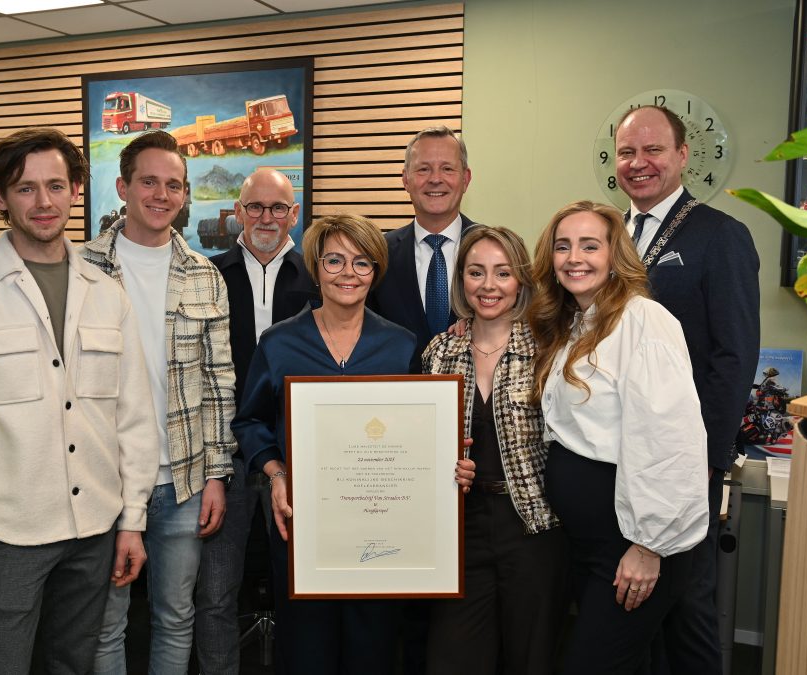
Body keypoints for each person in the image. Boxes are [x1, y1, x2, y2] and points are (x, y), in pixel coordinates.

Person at [0, 127, 160, 673]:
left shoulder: (107, 294)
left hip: (94, 529)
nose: (43, 202)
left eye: (55, 185)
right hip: (5, 537)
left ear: (76, 190)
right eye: (25, 189)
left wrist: (132, 521)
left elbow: (135, 421)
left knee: (70, 667)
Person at [232, 214, 475, 674]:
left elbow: (419, 432)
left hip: (382, 532)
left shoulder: (401, 345)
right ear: (316, 268)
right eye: (335, 261)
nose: (348, 274)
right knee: (306, 653)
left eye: (362, 263)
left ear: (376, 272)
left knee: (374, 651)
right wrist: (276, 473)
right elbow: (249, 422)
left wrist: (448, 459)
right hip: (303, 526)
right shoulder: (280, 342)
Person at [530, 201, 709, 674]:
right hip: (589, 543)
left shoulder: (643, 321)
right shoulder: (572, 322)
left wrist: (650, 546)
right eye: (563, 247)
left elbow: (670, 442)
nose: (575, 258)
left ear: (616, 255)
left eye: (590, 246)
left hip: (632, 543)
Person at [83, 130, 236, 675]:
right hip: (103, 477)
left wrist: (217, 475)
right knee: (105, 620)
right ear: (122, 187)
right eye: (148, 181)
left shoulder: (205, 276)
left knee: (175, 616)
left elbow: (220, 383)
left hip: (183, 480)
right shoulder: (82, 270)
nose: (161, 194)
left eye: (174, 185)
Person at [615, 105, 760, 674]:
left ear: (682, 156)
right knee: (632, 608)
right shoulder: (609, 234)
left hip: (683, 457)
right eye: (628, 152)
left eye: (653, 150)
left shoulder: (720, 236)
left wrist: (708, 458)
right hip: (619, 451)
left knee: (687, 607)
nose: (639, 163)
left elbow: (734, 357)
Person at [421, 225, 568, 675]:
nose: (489, 286)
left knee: (532, 658)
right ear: (460, 279)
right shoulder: (439, 352)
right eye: (476, 272)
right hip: (461, 529)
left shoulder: (550, 348)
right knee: (453, 657)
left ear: (521, 279)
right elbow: (424, 444)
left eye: (502, 273)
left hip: (534, 526)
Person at [196, 168, 319, 675]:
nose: (267, 218)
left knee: (301, 584)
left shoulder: (321, 275)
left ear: (294, 214)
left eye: (278, 208)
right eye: (255, 207)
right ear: (238, 213)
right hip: (223, 455)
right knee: (216, 589)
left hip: (297, 455)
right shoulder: (207, 277)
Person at [370, 126, 475, 361]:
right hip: (399, 393)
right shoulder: (378, 254)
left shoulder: (497, 252)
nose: (435, 179)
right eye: (423, 169)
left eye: (447, 169)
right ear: (406, 179)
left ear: (465, 179)